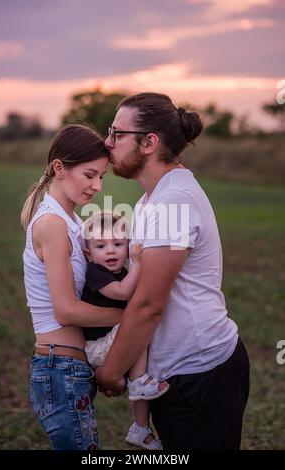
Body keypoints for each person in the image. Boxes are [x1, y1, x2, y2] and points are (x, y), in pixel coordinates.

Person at [96, 92, 250, 450]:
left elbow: (149, 304)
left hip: (200, 372)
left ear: (149, 142)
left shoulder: (173, 200)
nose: (107, 143)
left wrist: (110, 370)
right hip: (178, 372)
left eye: (117, 133)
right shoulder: (154, 198)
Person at [21, 124, 124, 450]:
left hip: (72, 367)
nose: (97, 185)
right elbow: (66, 310)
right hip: (58, 368)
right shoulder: (52, 224)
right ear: (59, 168)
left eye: (101, 177)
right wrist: (131, 317)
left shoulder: (73, 223)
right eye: (90, 175)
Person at [81, 211, 169, 450]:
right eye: (101, 245)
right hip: (98, 346)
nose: (110, 250)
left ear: (128, 246)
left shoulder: (123, 273)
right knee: (139, 326)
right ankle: (139, 380)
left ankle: (140, 428)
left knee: (140, 338)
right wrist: (139, 263)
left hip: (112, 340)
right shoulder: (95, 272)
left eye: (118, 244)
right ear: (88, 252)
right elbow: (122, 293)